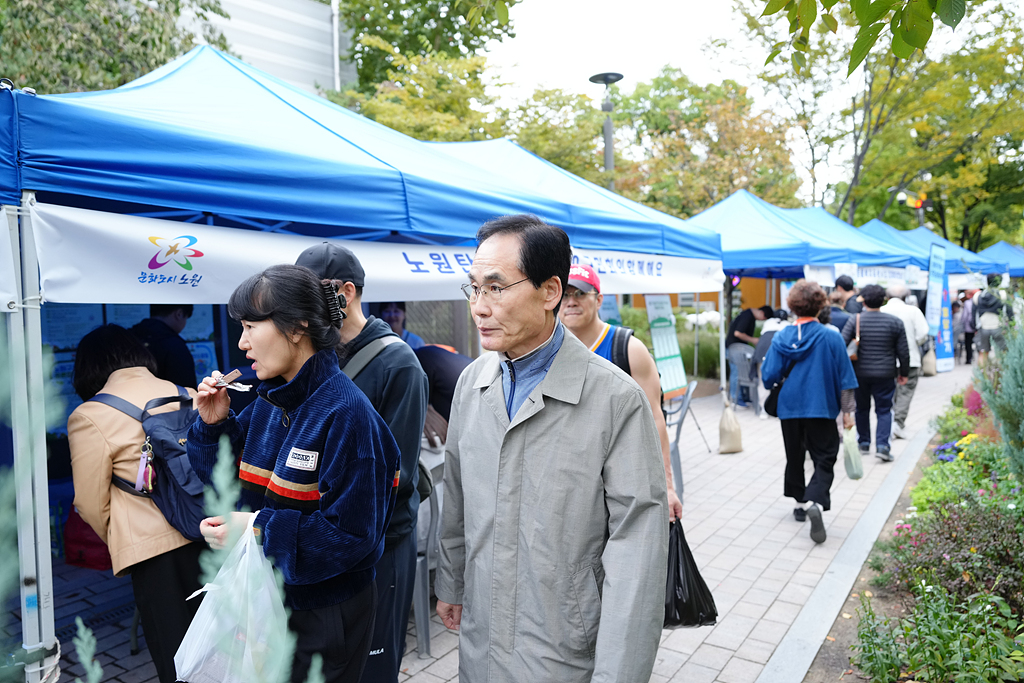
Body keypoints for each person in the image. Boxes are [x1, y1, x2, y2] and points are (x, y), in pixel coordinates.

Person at [436, 215, 668, 683]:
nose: (479, 307)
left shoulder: (615, 399)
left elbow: (636, 551)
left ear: (550, 292)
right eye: (474, 288)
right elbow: (457, 494)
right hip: (480, 641)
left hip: (563, 649)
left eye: (496, 288)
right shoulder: (472, 383)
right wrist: (451, 580)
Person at [187, 265, 401, 683]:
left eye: (250, 326)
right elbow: (223, 483)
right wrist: (214, 425)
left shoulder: (347, 414)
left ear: (298, 326)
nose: (242, 343)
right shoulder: (270, 402)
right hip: (265, 598)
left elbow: (353, 538)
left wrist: (255, 529)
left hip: (324, 615)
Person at [295, 243, 428, 683]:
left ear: (346, 292)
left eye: (309, 295)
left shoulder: (398, 363)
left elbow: (398, 475)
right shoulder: (317, 356)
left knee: (372, 662)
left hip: (380, 545)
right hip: (326, 542)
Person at [67, 324, 202, 683]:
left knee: (177, 657)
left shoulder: (89, 416)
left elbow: (90, 503)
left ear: (88, 367)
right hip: (209, 532)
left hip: (153, 552)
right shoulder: (185, 393)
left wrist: (123, 535)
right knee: (219, 643)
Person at [557, 262, 683, 521]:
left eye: (580, 293)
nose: (571, 301)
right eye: (565, 295)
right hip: (570, 484)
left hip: (623, 478)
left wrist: (668, 487)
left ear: (599, 299)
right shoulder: (550, 351)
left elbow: (656, 421)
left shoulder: (628, 349)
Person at [762, 282, 857, 544]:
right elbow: (846, 379)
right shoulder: (832, 336)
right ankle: (815, 499)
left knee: (795, 456)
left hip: (789, 407)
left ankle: (799, 503)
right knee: (825, 457)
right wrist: (848, 413)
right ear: (821, 304)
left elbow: (768, 377)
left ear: (792, 305)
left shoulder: (781, 336)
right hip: (822, 407)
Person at [841, 284, 910, 461]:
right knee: (885, 410)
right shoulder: (895, 322)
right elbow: (903, 351)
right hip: (886, 373)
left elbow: (841, 344)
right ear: (884, 300)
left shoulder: (855, 320)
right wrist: (904, 373)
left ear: (863, 301)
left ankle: (863, 443)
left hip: (859, 373)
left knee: (861, 408)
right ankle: (882, 447)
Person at [882, 284, 930, 439]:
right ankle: (898, 423)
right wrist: (914, 343)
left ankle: (887, 425)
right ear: (906, 297)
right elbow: (923, 333)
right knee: (905, 393)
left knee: (888, 393)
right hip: (911, 359)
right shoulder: (913, 311)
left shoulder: (881, 311)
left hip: (885, 360)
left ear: (887, 297)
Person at [130, 304, 197, 388]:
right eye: (186, 318)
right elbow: (186, 390)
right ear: (179, 314)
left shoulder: (129, 337)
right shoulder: (175, 346)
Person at [725, 304, 773, 406]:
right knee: (737, 373)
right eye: (763, 319)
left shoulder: (748, 315)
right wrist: (753, 340)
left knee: (742, 372)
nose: (761, 320)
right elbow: (738, 333)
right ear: (761, 313)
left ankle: (743, 397)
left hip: (738, 349)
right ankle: (736, 399)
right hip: (734, 349)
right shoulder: (747, 316)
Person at [973, 274, 1013, 367]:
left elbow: (973, 315)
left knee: (983, 353)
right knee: (1002, 352)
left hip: (983, 328)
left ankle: (982, 377)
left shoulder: (978, 296)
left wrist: (975, 327)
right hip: (998, 327)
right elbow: (1010, 314)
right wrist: (1010, 327)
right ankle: (1001, 374)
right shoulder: (1003, 295)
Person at [962, 291, 977, 364]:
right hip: (976, 326)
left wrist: (963, 324)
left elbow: (964, 316)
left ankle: (969, 359)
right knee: (976, 343)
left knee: (968, 344)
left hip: (968, 327)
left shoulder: (967, 303)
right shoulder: (977, 302)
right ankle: (975, 357)